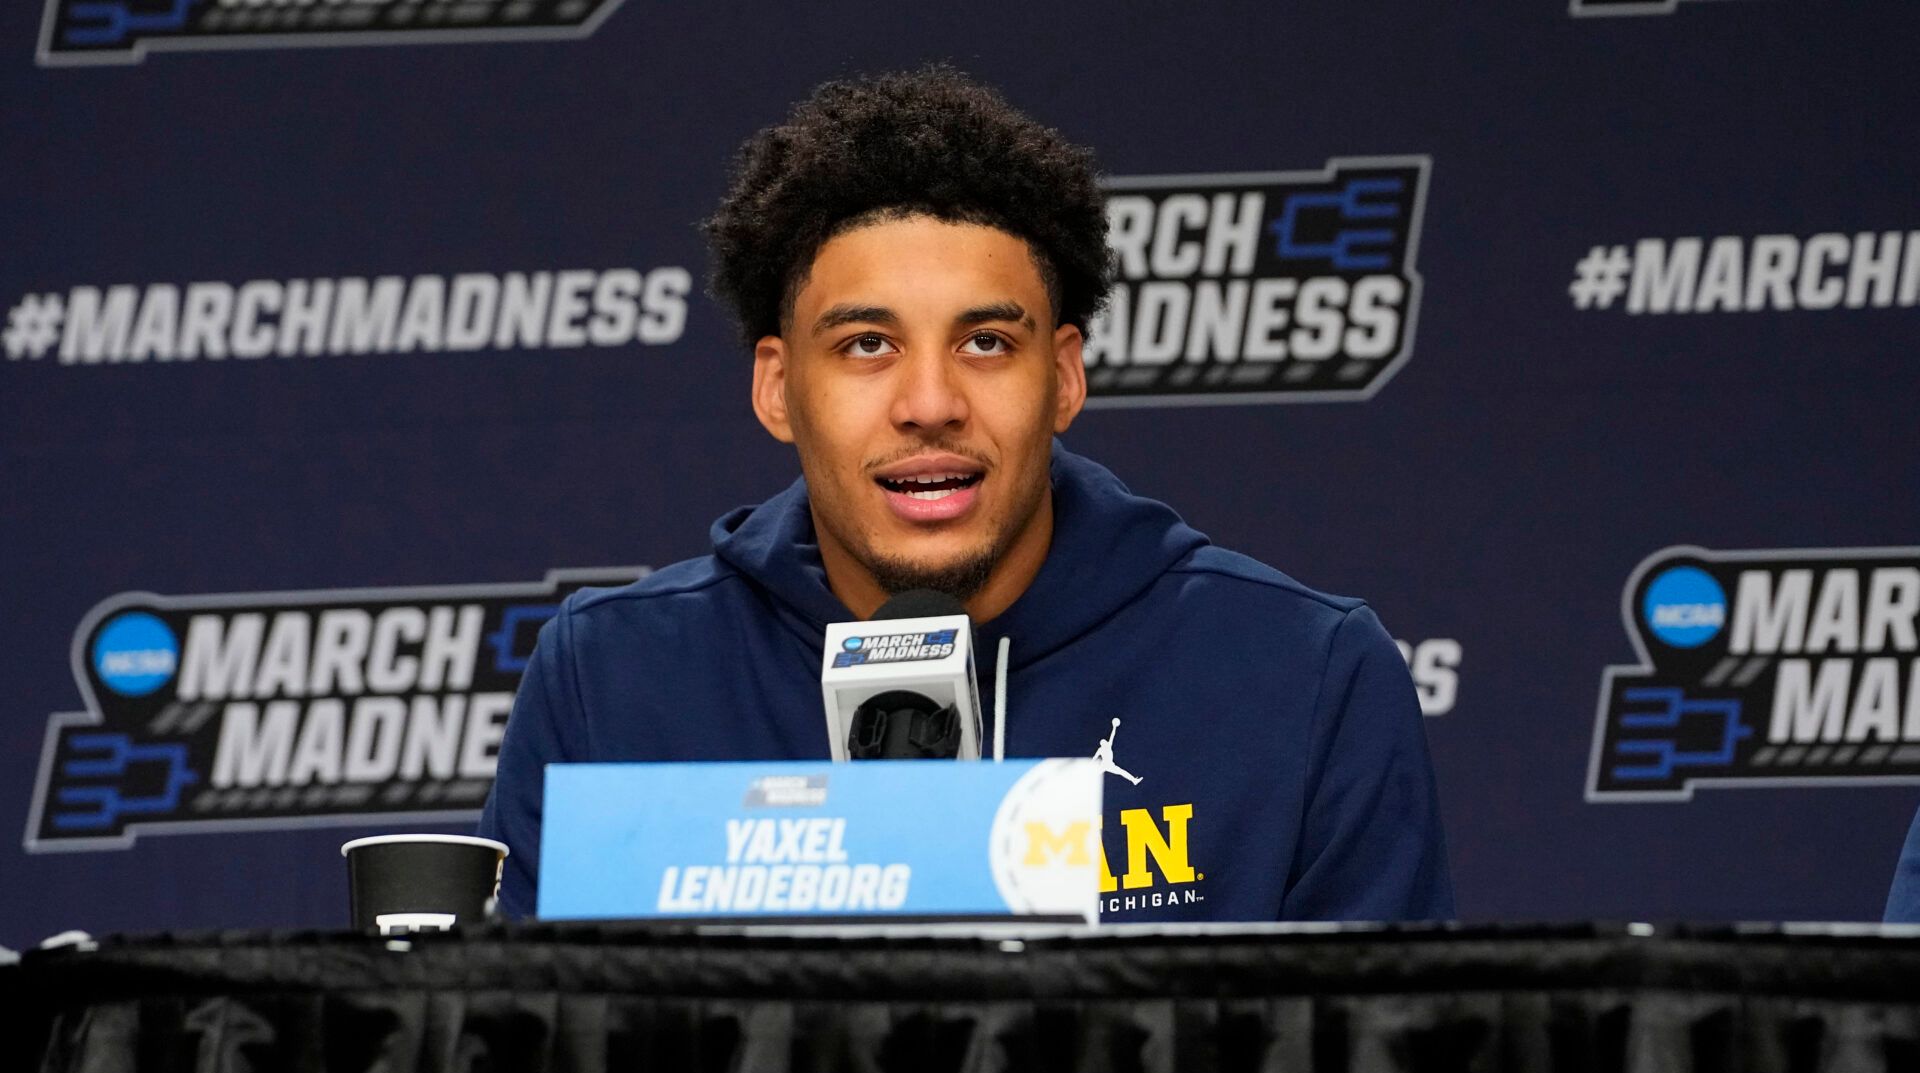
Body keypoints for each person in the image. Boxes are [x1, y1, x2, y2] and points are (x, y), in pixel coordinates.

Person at [478, 66, 1453, 922]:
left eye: (987, 342)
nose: (931, 403)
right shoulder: (611, 683)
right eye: (867, 345)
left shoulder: (1304, 678)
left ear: (1064, 376)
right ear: (778, 387)